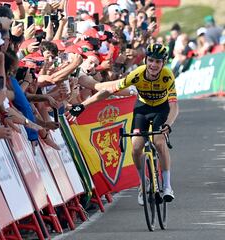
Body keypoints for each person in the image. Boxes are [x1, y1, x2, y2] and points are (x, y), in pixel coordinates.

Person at [68, 43, 179, 205]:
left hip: (161, 110)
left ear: (163, 63)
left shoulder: (167, 76)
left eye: (158, 62)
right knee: (135, 148)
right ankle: (143, 182)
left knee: (159, 142)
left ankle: (167, 186)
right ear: (146, 60)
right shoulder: (137, 74)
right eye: (151, 61)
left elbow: (174, 106)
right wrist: (83, 105)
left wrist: (168, 124)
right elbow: (109, 91)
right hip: (143, 108)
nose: (154, 65)